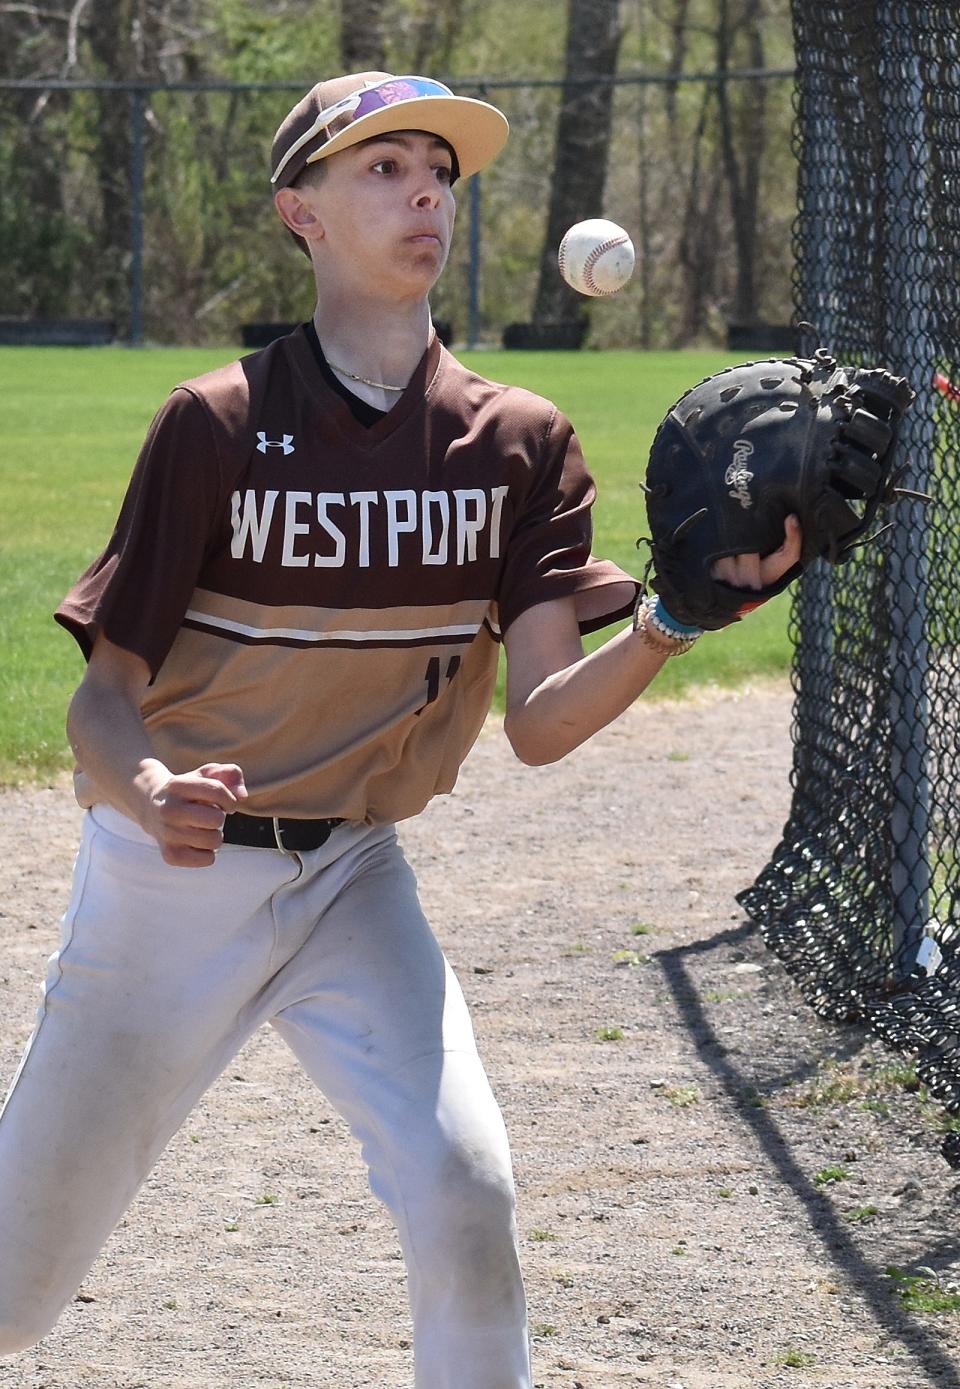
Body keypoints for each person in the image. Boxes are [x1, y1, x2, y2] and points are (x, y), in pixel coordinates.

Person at [0, 72, 801, 1388]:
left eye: (439, 166)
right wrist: (147, 788)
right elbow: (102, 694)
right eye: (380, 166)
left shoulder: (517, 444)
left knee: (462, 1183)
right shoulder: (216, 425)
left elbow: (539, 721)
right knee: (15, 1296)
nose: (425, 187)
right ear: (297, 211)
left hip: (352, 878)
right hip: (169, 882)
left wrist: (670, 621)